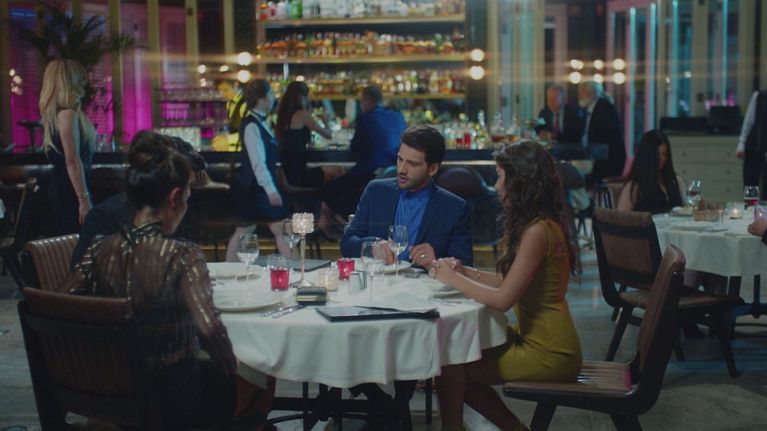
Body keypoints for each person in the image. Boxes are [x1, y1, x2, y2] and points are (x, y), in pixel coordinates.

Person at [60, 132, 276, 430]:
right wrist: (230, 365)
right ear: (174, 198)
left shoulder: (98, 249)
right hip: (175, 402)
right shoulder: (182, 255)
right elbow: (210, 329)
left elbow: (61, 303)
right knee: (261, 377)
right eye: (187, 198)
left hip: (111, 391)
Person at [430, 140, 582, 431]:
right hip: (539, 340)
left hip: (551, 352)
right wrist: (466, 272)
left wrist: (453, 279)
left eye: (500, 177)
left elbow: (503, 300)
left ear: (520, 182)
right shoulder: (539, 224)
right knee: (454, 354)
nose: (496, 185)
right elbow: (508, 280)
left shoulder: (537, 231)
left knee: (451, 367)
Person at [340, 124, 472, 429]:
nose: (401, 169)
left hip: (420, 300)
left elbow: (463, 263)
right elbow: (347, 242)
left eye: (412, 164)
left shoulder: (455, 208)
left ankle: (393, 407)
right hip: (373, 293)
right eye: (400, 159)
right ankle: (383, 404)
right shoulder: (376, 191)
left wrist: (437, 261)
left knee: (415, 336)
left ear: (433, 168)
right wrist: (371, 245)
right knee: (339, 334)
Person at [70, 132, 208, 269]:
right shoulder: (103, 218)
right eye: (187, 185)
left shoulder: (168, 215)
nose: (188, 194)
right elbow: (80, 275)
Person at [320, 85, 406, 236]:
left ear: (366, 100)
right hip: (394, 172)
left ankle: (353, 220)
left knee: (328, 190)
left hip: (370, 172)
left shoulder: (365, 118)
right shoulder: (397, 116)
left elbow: (355, 149)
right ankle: (347, 221)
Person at [226, 79, 291, 261]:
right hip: (255, 188)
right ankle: (296, 269)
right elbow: (258, 163)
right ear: (261, 99)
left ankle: (295, 268)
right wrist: (271, 190)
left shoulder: (258, 122)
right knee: (269, 229)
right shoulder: (252, 125)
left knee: (249, 230)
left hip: (256, 187)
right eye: (270, 94)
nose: (273, 97)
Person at [39, 58, 96, 235]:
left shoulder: (58, 115)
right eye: (80, 79)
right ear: (70, 82)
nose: (84, 84)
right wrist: (83, 199)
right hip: (70, 192)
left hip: (67, 189)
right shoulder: (67, 115)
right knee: (76, 243)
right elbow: (72, 160)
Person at [274, 81, 343, 187]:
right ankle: (336, 198)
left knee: (329, 177)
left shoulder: (282, 116)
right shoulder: (302, 115)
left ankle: (326, 198)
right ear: (301, 98)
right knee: (337, 170)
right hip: (299, 176)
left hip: (288, 173)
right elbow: (328, 135)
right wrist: (325, 120)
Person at [617, 129, 685, 214]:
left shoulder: (674, 182)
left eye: (664, 154)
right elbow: (620, 218)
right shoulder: (635, 186)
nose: (662, 159)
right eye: (657, 154)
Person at [577, 80, 626, 181]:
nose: (579, 95)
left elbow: (605, 136)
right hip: (599, 158)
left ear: (593, 93)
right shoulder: (592, 109)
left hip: (608, 160)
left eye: (582, 92)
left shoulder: (604, 108)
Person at [736, 89, 767, 199]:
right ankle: (750, 207)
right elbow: (748, 122)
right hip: (755, 147)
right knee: (750, 186)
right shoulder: (759, 97)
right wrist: (741, 145)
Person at [212, 78, 248, 152]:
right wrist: (223, 137)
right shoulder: (229, 104)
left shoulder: (246, 103)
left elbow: (250, 134)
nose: (223, 94)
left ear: (236, 85)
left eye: (226, 90)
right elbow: (233, 128)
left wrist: (227, 139)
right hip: (235, 149)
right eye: (221, 91)